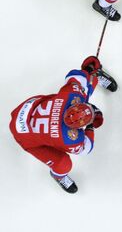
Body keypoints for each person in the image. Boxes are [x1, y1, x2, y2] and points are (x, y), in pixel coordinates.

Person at [9, 56, 113, 193]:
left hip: (27, 110)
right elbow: (86, 148)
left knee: (82, 90)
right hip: (25, 137)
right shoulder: (70, 139)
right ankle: (58, 176)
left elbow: (74, 76)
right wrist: (90, 126)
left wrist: (87, 71)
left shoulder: (71, 96)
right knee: (63, 163)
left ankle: (96, 76)